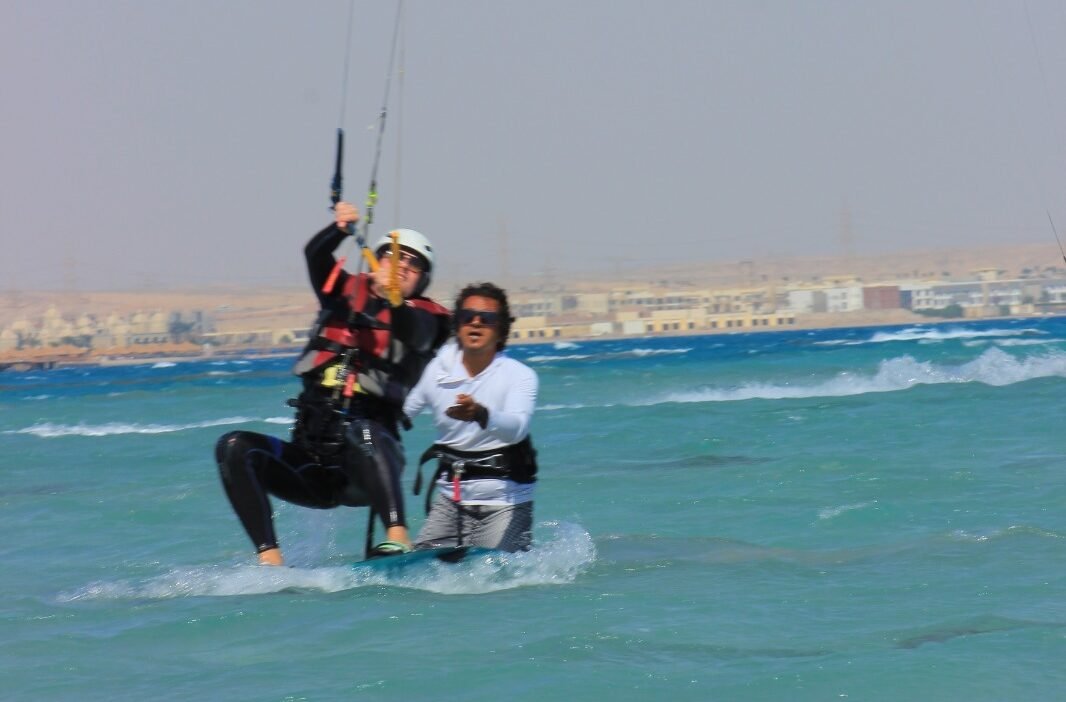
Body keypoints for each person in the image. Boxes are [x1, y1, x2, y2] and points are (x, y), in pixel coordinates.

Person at [215, 202, 450, 565]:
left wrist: (394, 301)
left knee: (364, 431)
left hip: (366, 466)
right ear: (377, 260)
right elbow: (315, 255)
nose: (403, 265)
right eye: (394, 257)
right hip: (312, 466)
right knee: (233, 446)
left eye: (414, 264)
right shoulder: (342, 292)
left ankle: (398, 536)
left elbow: (412, 331)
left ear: (423, 279)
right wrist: (339, 228)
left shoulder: (429, 319)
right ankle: (270, 560)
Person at [403, 282, 539, 552]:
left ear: (500, 331)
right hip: (451, 499)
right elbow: (401, 415)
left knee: (492, 574)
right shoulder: (436, 371)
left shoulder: (519, 375)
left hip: (506, 500)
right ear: (457, 325)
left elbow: (517, 428)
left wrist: (480, 414)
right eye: (467, 317)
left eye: (487, 319)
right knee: (425, 571)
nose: (475, 323)